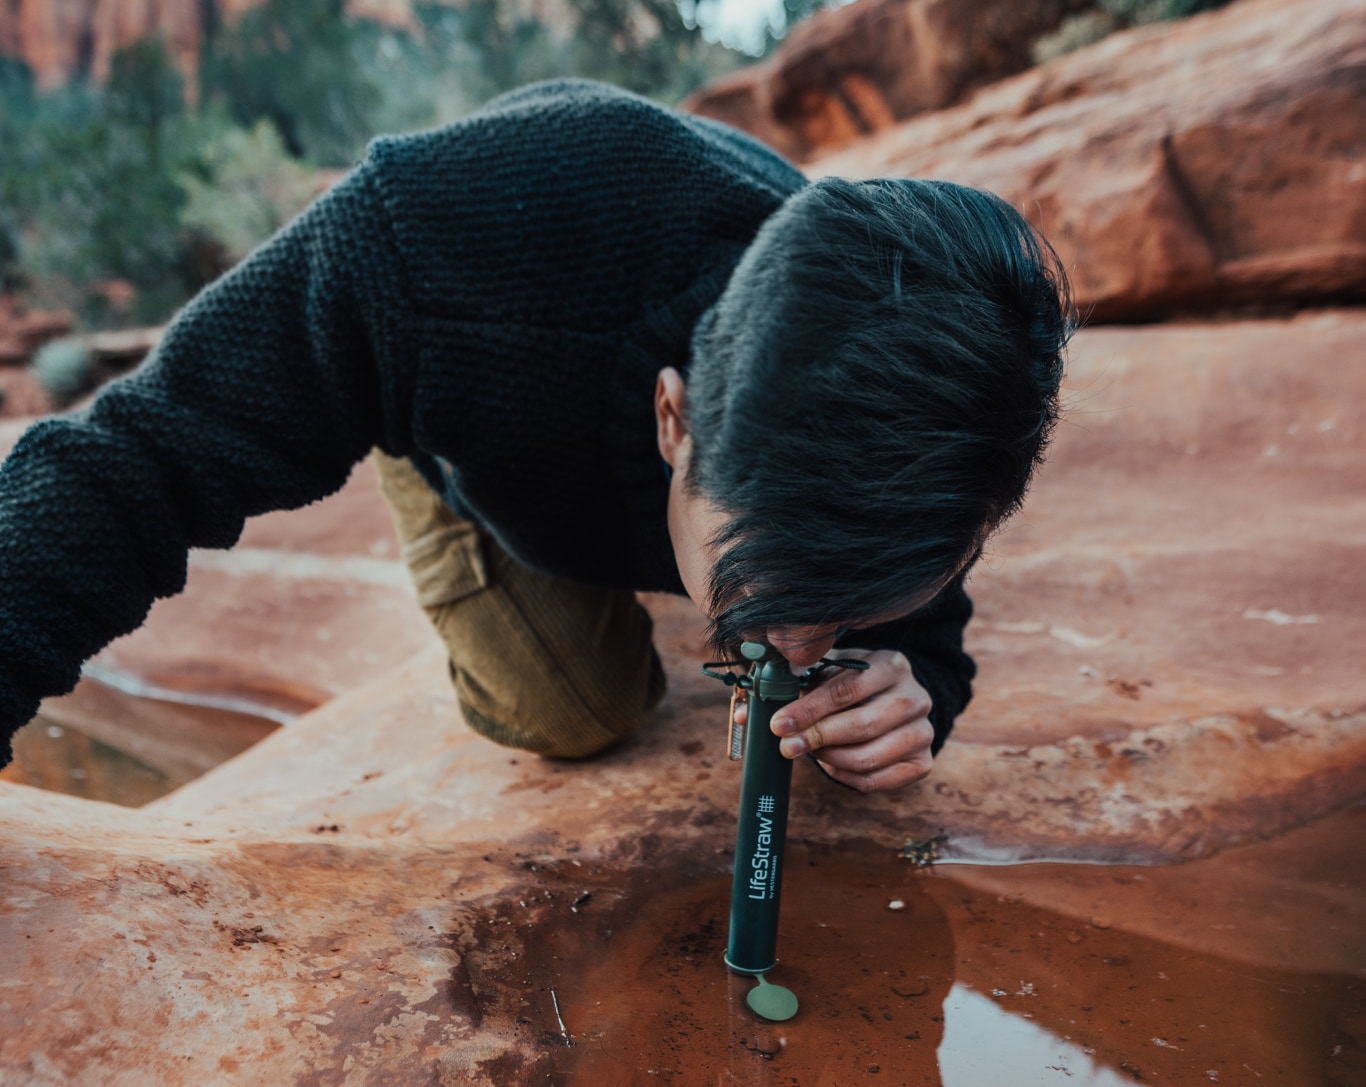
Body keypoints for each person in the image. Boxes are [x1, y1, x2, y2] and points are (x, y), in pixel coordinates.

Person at [0, 80, 1071, 790]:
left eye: (835, 609)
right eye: (773, 598)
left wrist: (914, 679)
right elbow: (125, 461)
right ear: (675, 415)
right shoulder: (424, 246)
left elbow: (926, 588)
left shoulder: (901, 385)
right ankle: (422, 460)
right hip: (481, 393)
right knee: (573, 708)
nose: (792, 658)